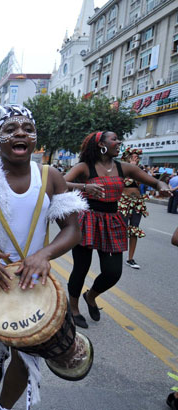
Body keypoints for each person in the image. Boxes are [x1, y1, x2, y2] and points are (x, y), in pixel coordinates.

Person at [0, 104, 85, 410]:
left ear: (35, 139)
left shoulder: (51, 177)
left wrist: (44, 255)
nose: (21, 133)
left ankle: (2, 408)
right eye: (11, 129)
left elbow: (72, 230)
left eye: (28, 129)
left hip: (33, 278)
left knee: (29, 352)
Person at [64, 131, 171, 328]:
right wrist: (84, 187)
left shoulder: (125, 167)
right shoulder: (84, 167)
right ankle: (73, 308)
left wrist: (162, 185)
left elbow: (154, 181)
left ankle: (91, 296)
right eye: (114, 139)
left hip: (112, 222)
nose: (118, 142)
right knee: (81, 268)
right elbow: (61, 183)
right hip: (87, 220)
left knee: (113, 273)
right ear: (101, 145)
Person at [118, 148, 149, 269]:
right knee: (122, 229)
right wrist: (130, 168)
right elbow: (123, 183)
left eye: (137, 157)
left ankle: (130, 258)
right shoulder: (121, 169)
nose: (136, 158)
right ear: (127, 158)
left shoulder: (140, 170)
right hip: (124, 202)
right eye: (133, 156)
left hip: (137, 202)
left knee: (134, 230)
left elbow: (144, 183)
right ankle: (117, 255)